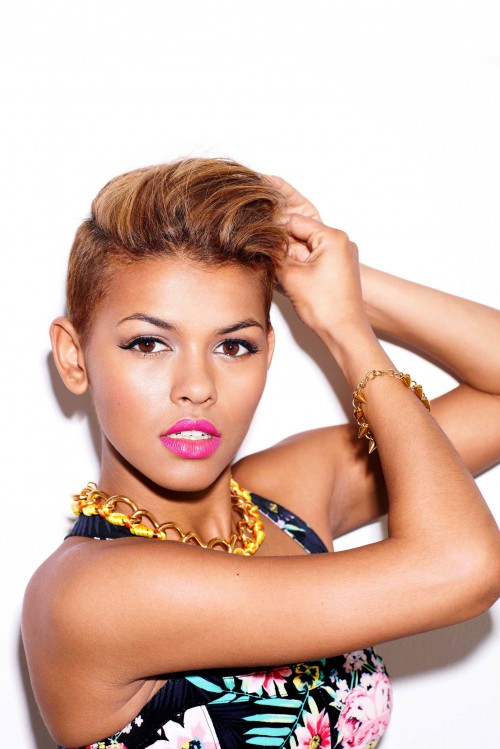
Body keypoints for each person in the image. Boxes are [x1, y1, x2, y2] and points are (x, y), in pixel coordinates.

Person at [22, 157, 500, 749]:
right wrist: (347, 331)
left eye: (233, 345)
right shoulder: (90, 592)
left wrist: (332, 287)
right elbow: (460, 567)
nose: (196, 386)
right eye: (148, 343)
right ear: (74, 358)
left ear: (267, 354)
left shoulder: (286, 497)